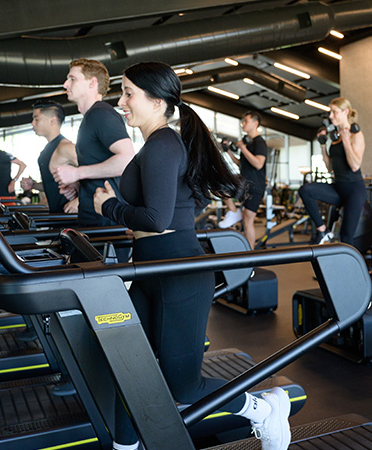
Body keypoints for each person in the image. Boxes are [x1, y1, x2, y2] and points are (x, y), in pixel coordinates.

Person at [92, 61, 291, 450]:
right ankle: (125, 447)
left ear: (156, 101)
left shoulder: (165, 144)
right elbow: (174, 209)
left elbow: (157, 218)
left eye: (129, 93)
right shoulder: (157, 145)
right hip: (152, 268)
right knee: (128, 370)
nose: (122, 101)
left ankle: (264, 409)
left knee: (184, 386)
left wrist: (109, 207)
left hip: (177, 273)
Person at [53, 58, 134, 226]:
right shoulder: (90, 118)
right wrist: (79, 184)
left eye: (72, 79)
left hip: (107, 220)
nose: (65, 84)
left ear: (92, 83)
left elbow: (126, 160)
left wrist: (77, 173)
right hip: (94, 214)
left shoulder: (102, 114)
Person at [298, 97, 366, 249]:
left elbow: (355, 166)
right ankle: (322, 231)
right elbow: (330, 168)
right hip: (338, 188)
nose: (330, 116)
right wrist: (323, 146)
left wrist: (346, 141)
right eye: (330, 112)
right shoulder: (335, 138)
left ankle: (348, 272)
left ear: (345, 112)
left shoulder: (356, 135)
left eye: (334, 112)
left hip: (354, 191)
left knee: (346, 237)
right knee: (306, 190)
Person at [217, 111, 268, 247]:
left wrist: (243, 148)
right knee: (222, 183)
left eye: (246, 121)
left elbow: (258, 164)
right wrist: (228, 151)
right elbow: (241, 163)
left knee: (247, 221)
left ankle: (249, 255)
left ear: (255, 123)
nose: (243, 124)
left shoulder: (259, 142)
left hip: (255, 186)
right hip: (245, 183)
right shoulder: (247, 142)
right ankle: (233, 212)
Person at [22, 101, 79, 213]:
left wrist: (79, 200)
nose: (33, 123)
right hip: (57, 216)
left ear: (52, 120)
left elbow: (98, 176)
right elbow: (53, 186)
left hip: (73, 219)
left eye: (36, 119)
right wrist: (33, 185)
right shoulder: (46, 151)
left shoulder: (66, 147)